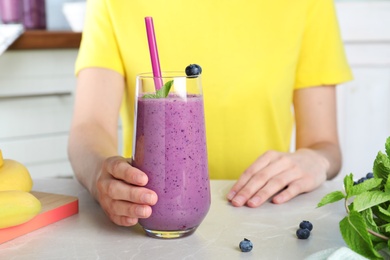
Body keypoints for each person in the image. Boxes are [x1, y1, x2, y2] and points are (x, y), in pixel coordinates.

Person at [68, 0, 353, 227]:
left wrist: (315, 160)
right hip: (151, 211)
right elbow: (89, 128)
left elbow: (324, 144)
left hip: (266, 217)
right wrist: (101, 176)